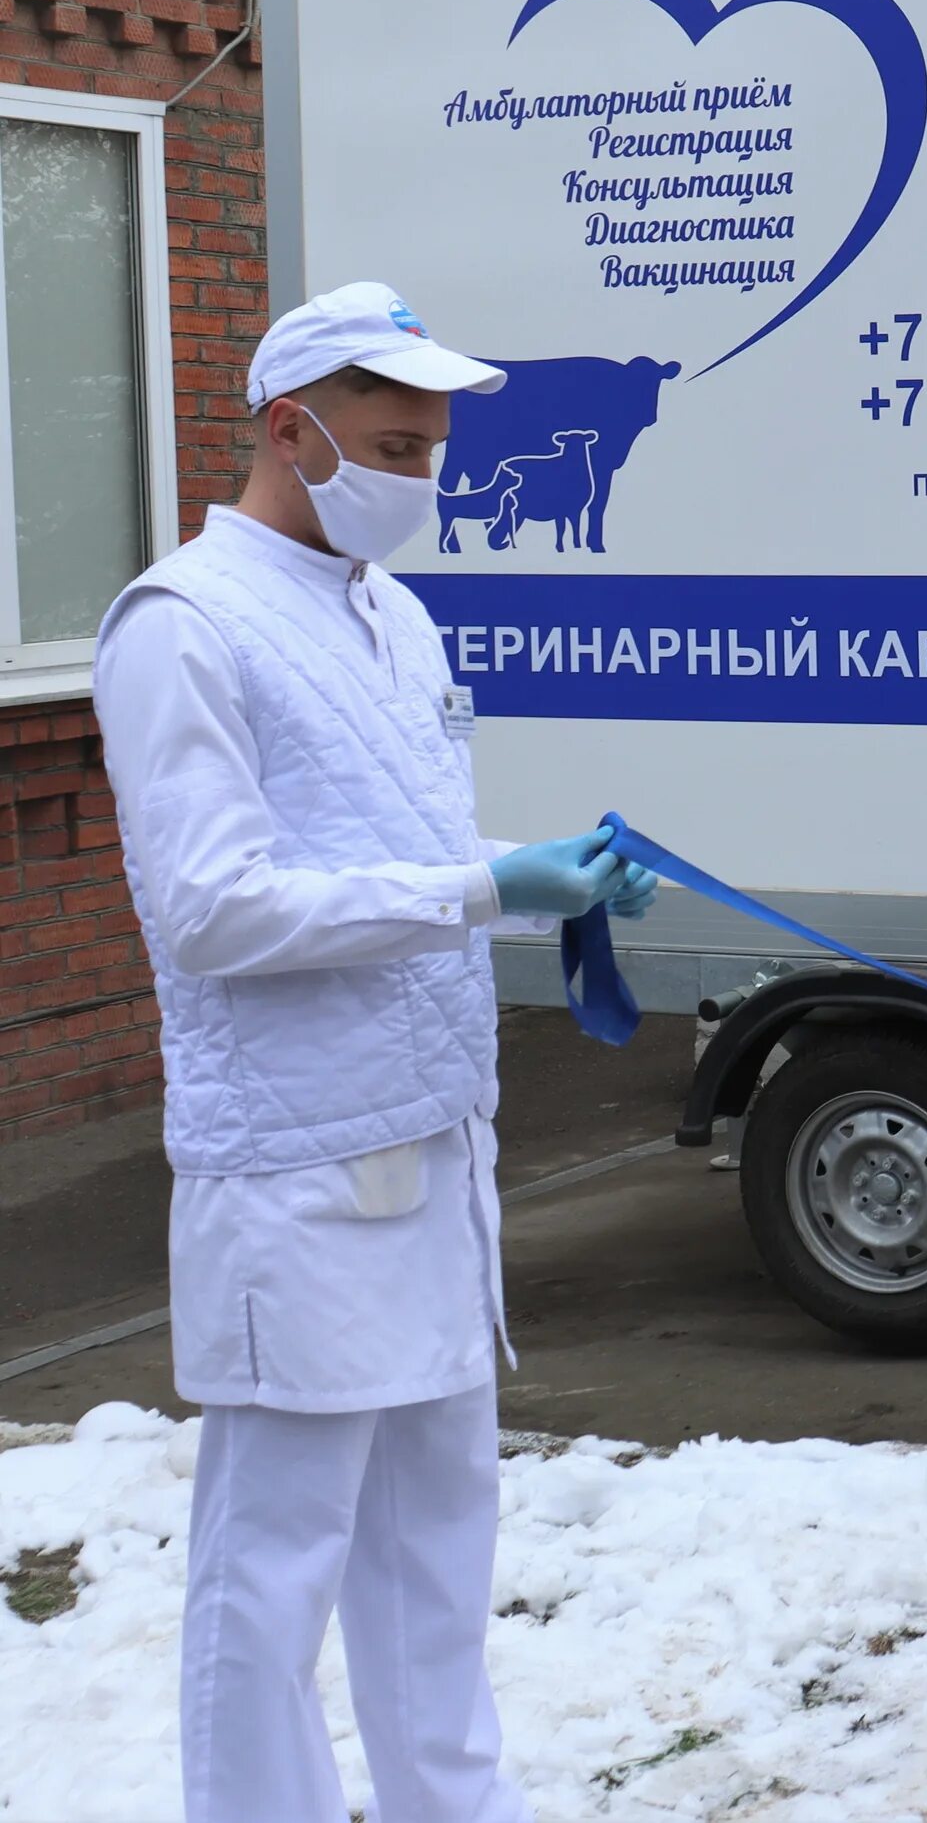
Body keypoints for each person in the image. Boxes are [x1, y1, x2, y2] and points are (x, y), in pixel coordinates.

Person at [93, 282, 659, 1823]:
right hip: (293, 1179)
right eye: (397, 444)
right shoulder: (181, 626)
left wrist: (535, 867)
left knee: (434, 1558)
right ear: (292, 429)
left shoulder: (386, 614)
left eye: (436, 446)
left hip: (431, 1161)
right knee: (268, 1577)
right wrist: (484, 886)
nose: (430, 477)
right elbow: (212, 911)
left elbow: (383, 847)